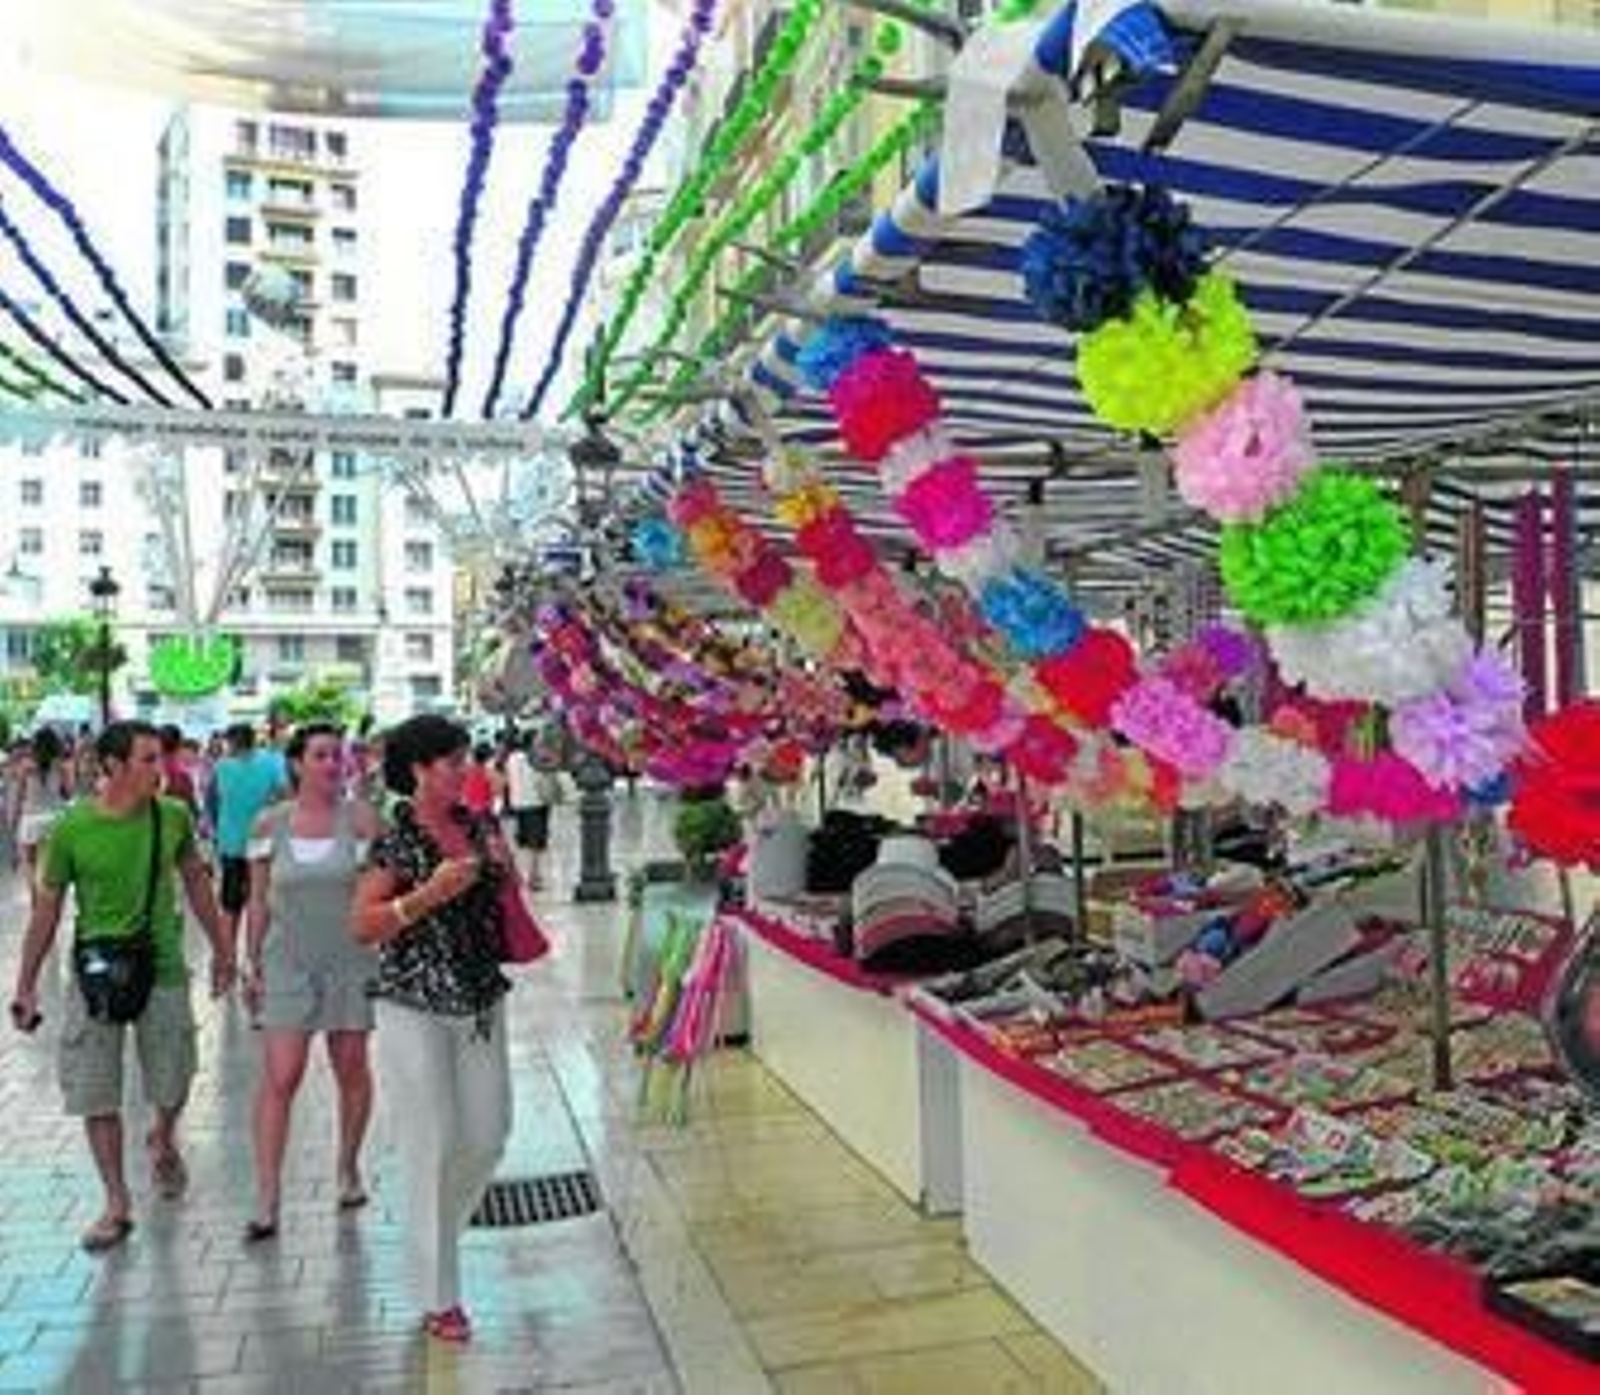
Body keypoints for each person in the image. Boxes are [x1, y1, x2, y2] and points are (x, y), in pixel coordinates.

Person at [7, 721, 234, 1253]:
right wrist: (25, 985)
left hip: (163, 970)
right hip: (96, 974)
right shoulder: (71, 829)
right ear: (111, 765)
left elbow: (200, 885)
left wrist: (225, 951)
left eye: (161, 758)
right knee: (95, 1091)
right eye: (148, 760)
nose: (162, 770)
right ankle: (116, 1201)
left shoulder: (172, 817)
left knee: (175, 1077)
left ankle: (163, 1133)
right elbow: (46, 909)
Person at [352, 714, 514, 1344]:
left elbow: (502, 904)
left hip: (478, 999)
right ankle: (438, 1293)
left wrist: (503, 871)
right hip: (412, 1002)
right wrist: (426, 896)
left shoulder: (479, 826)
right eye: (450, 761)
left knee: (489, 1133)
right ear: (418, 770)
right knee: (433, 1140)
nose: (462, 770)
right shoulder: (397, 840)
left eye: (463, 758)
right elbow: (362, 924)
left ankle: (433, 1232)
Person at [241, 723, 384, 1243]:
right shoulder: (268, 824)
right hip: (287, 962)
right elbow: (257, 900)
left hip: (351, 960)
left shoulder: (364, 820)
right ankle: (267, 1192)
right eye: (321, 755)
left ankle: (347, 1166)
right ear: (297, 763)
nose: (331, 764)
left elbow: (386, 887)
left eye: (337, 756)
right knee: (282, 1073)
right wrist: (250, 961)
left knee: (351, 1067)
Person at [212, 725, 288, 961]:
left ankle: (228, 957)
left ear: (232, 743)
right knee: (261, 901)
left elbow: (214, 800)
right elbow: (285, 792)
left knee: (230, 905)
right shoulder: (273, 762)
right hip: (264, 842)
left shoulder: (221, 767)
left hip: (231, 844)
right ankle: (256, 958)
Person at [6, 727, 74, 905]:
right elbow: (68, 793)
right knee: (52, 866)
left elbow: (19, 798)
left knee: (30, 865)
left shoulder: (26, 766)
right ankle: (50, 901)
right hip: (55, 818)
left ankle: (36, 901)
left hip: (30, 819)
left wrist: (12, 828)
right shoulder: (61, 765)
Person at [502, 734, 553, 891]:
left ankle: (530, 875)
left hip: (518, 803)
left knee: (526, 841)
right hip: (535, 802)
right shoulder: (536, 757)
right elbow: (547, 774)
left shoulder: (511, 758)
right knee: (535, 842)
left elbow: (507, 779)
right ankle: (534, 877)